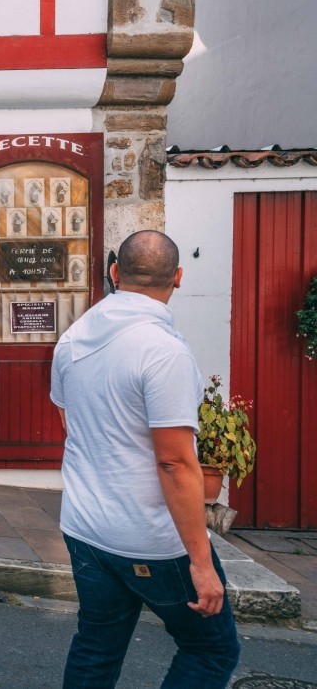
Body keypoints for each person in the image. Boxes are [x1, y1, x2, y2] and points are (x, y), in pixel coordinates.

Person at [53, 230, 240, 688]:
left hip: (85, 527)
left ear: (115, 273)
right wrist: (200, 561)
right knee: (211, 648)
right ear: (177, 277)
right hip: (151, 539)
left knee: (96, 647)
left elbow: (70, 425)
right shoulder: (163, 351)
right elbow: (174, 462)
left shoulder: (73, 340)